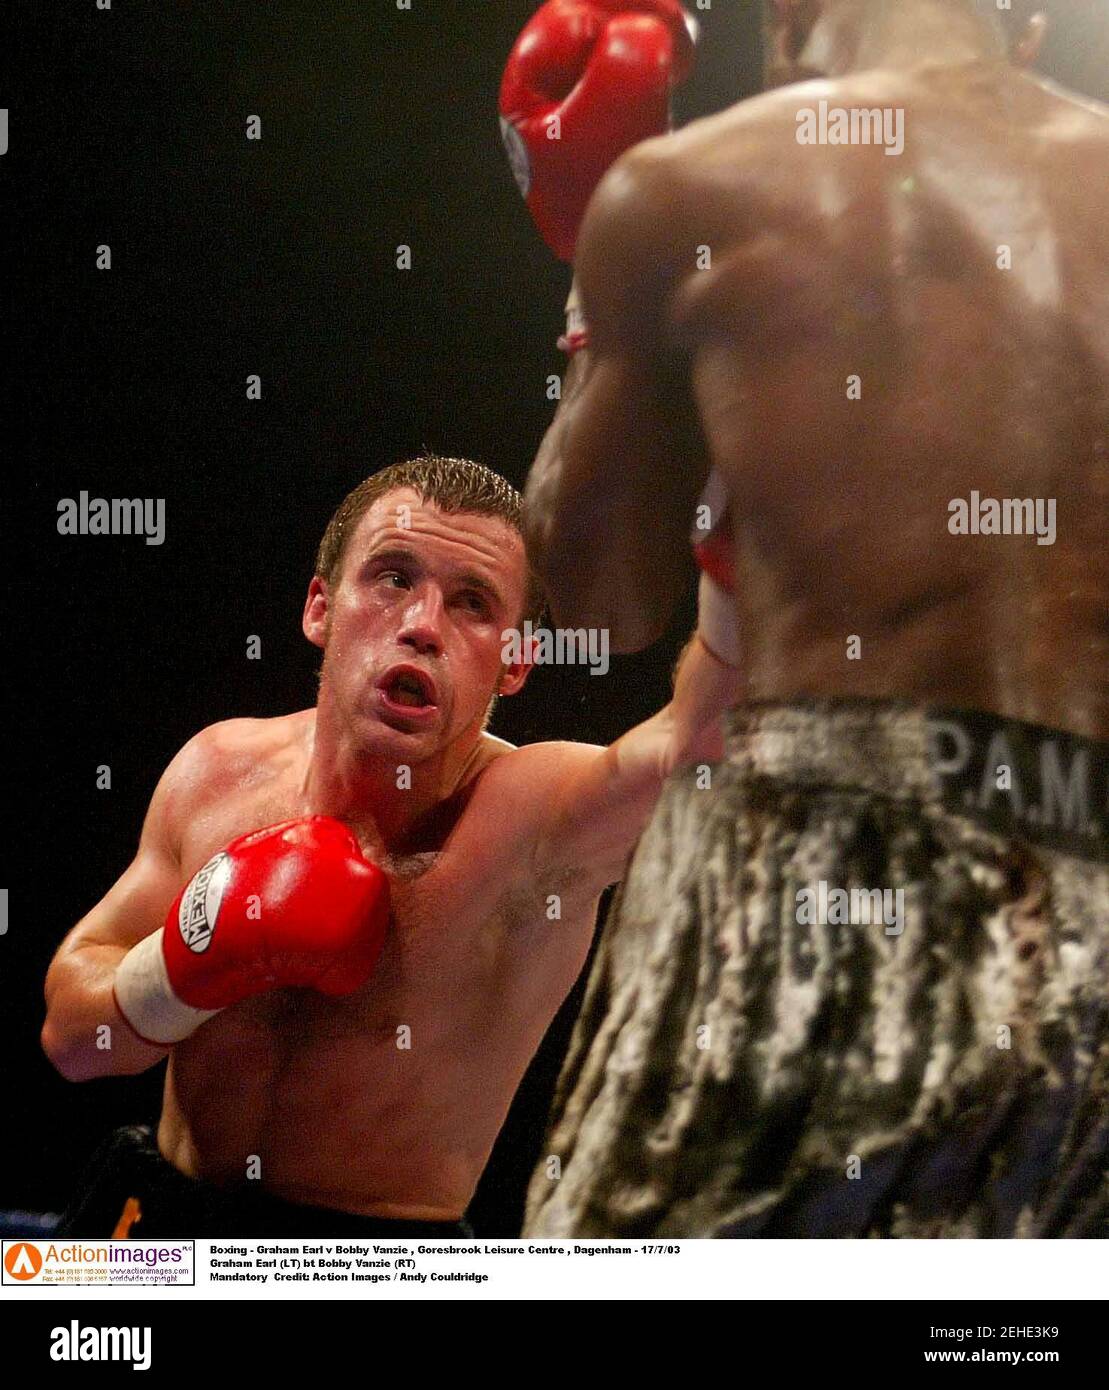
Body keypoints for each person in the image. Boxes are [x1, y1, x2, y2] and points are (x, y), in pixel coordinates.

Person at [518, 0, 1109, 1237]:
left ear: (785, 20)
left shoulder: (695, 189)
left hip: (822, 853)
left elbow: (597, 597)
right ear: (1031, 26)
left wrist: (590, 263)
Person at [41, 455, 738, 1238]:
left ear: (516, 661)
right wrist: (179, 970)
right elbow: (73, 1043)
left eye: (472, 603)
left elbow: (699, 746)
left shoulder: (533, 822)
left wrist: (744, 587)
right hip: (151, 1213)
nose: (421, 625)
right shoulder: (218, 773)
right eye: (392, 577)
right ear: (319, 608)